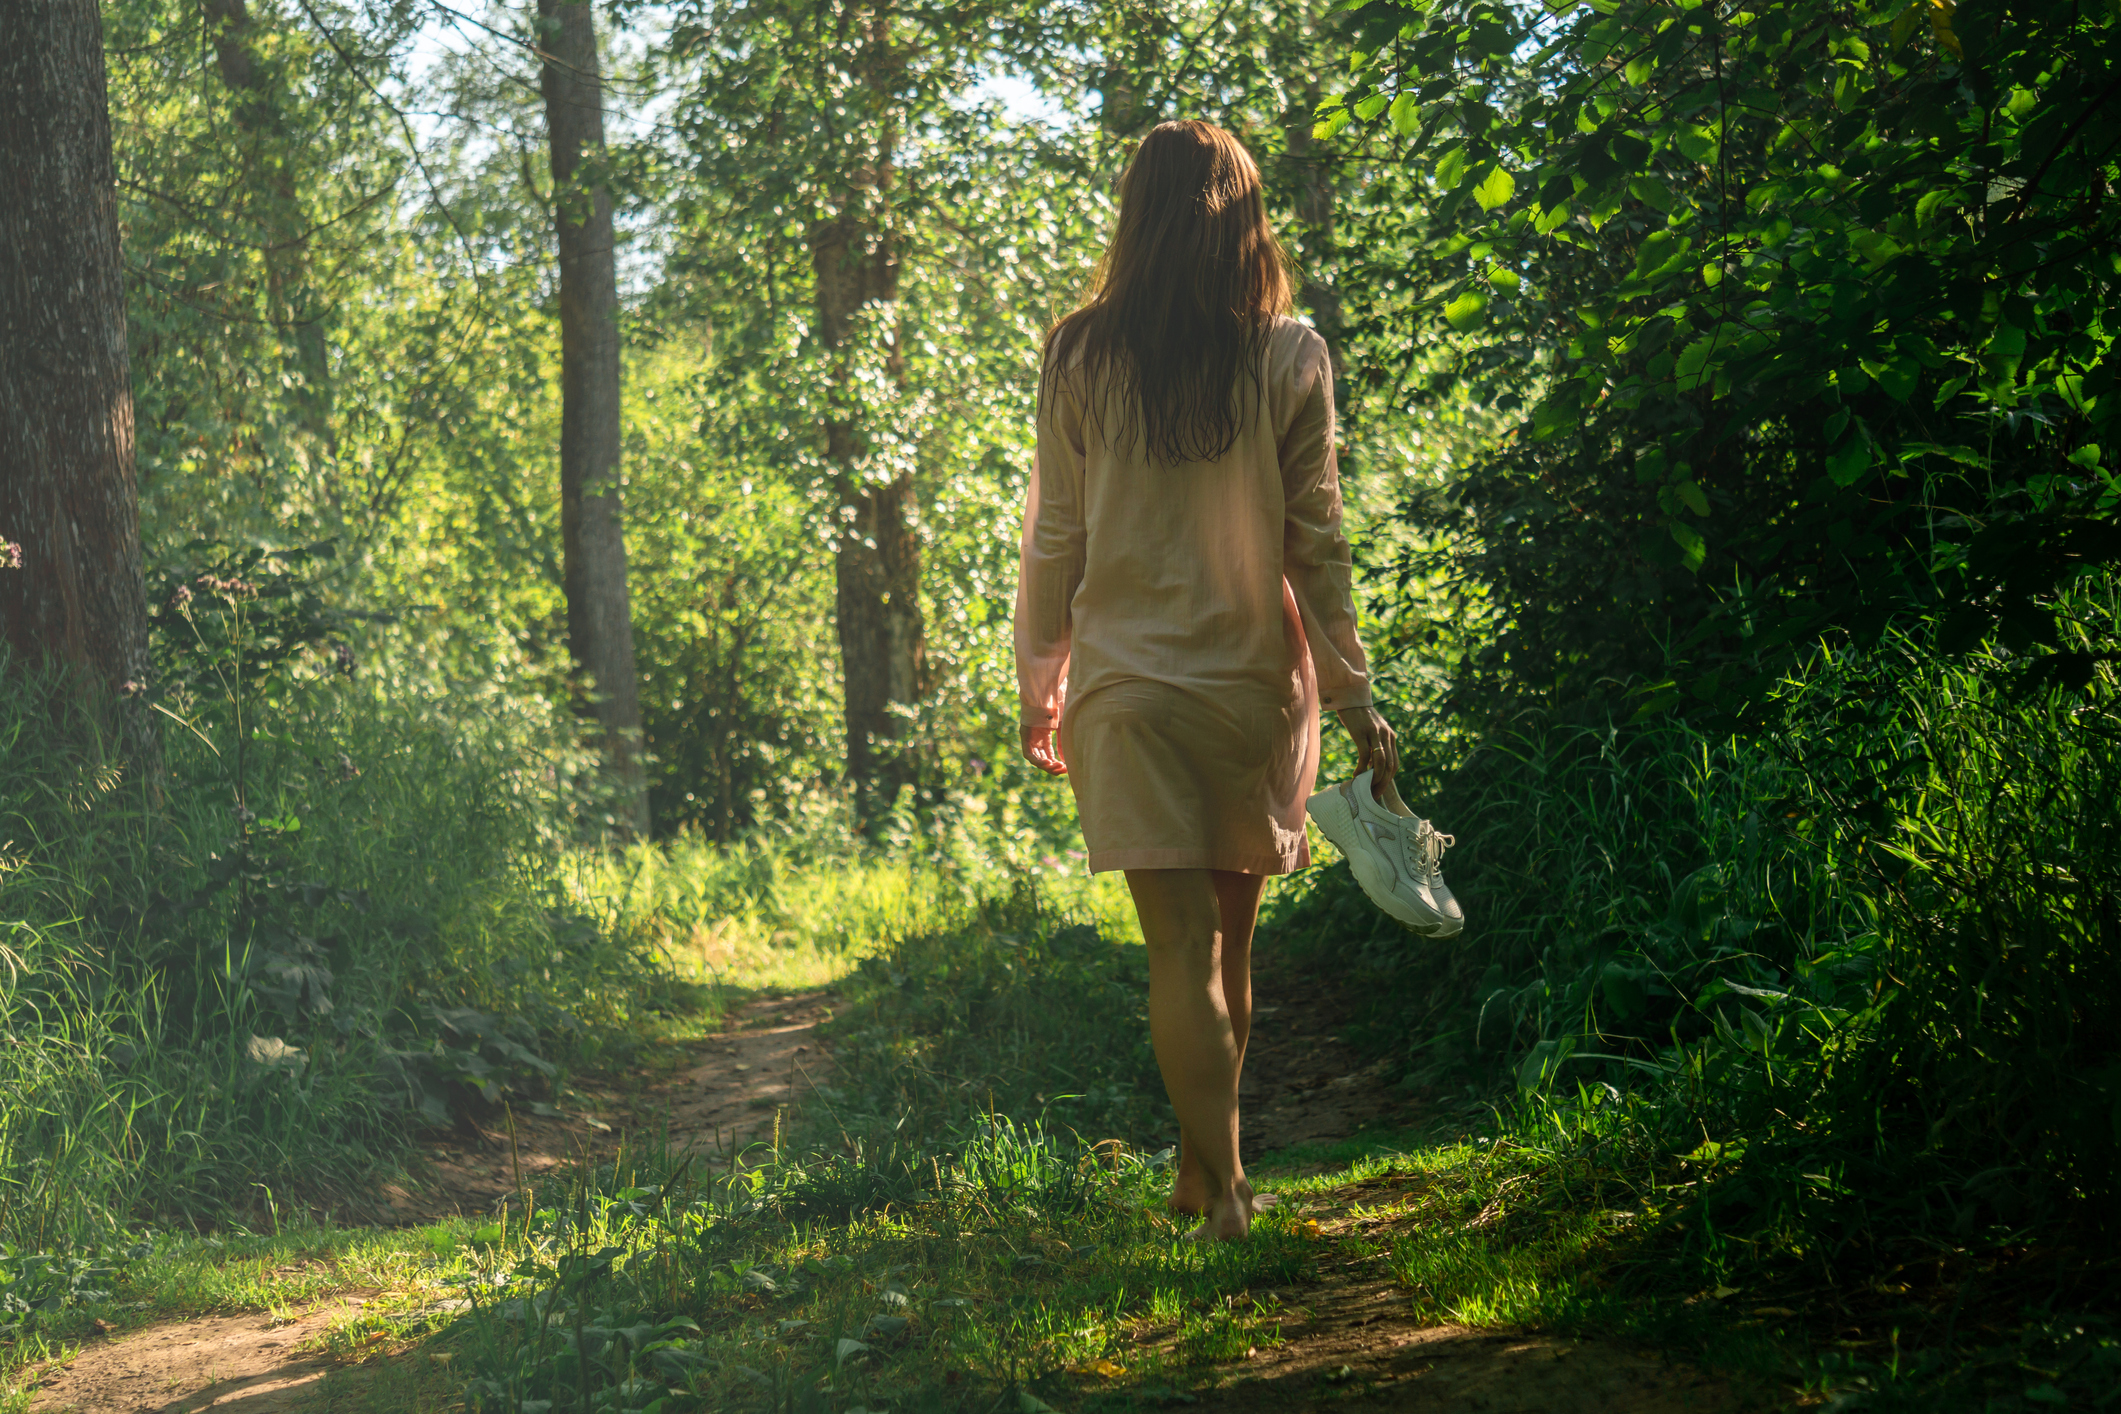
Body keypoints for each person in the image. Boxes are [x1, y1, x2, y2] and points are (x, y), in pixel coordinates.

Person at [1013, 119, 1404, 1242]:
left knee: (1179, 951)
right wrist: (1351, 692)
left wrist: (1044, 679)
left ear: (1136, 217)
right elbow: (1315, 542)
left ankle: (1207, 1182)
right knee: (1230, 947)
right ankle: (1226, 1190)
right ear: (1245, 217)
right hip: (1250, 688)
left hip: (1126, 688)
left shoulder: (1078, 352)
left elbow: (1056, 540)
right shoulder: (1290, 354)